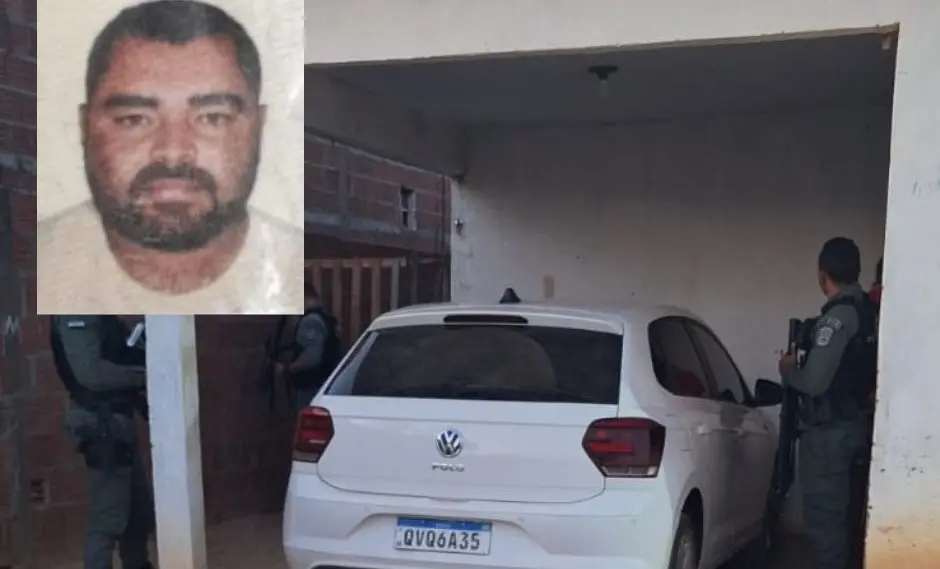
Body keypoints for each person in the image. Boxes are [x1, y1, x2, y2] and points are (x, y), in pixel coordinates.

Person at [37, 0, 303, 314]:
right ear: (85, 127)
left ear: (258, 127)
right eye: (134, 119)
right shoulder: (34, 268)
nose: (173, 152)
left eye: (213, 118)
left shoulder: (298, 272)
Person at [777, 237, 877, 569]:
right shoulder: (866, 311)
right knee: (844, 524)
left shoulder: (838, 318)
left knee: (825, 525)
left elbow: (814, 383)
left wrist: (788, 370)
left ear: (823, 275)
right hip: (851, 426)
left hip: (830, 434)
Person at [51, 315, 155, 569]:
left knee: (137, 510)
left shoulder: (98, 312)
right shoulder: (75, 311)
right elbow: (91, 373)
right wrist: (146, 374)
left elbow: (117, 356)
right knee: (108, 517)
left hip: (117, 421)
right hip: (100, 422)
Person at [276, 283, 342, 413]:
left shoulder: (310, 321)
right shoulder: (326, 319)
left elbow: (312, 357)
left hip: (311, 385)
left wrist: (287, 368)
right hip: (324, 385)